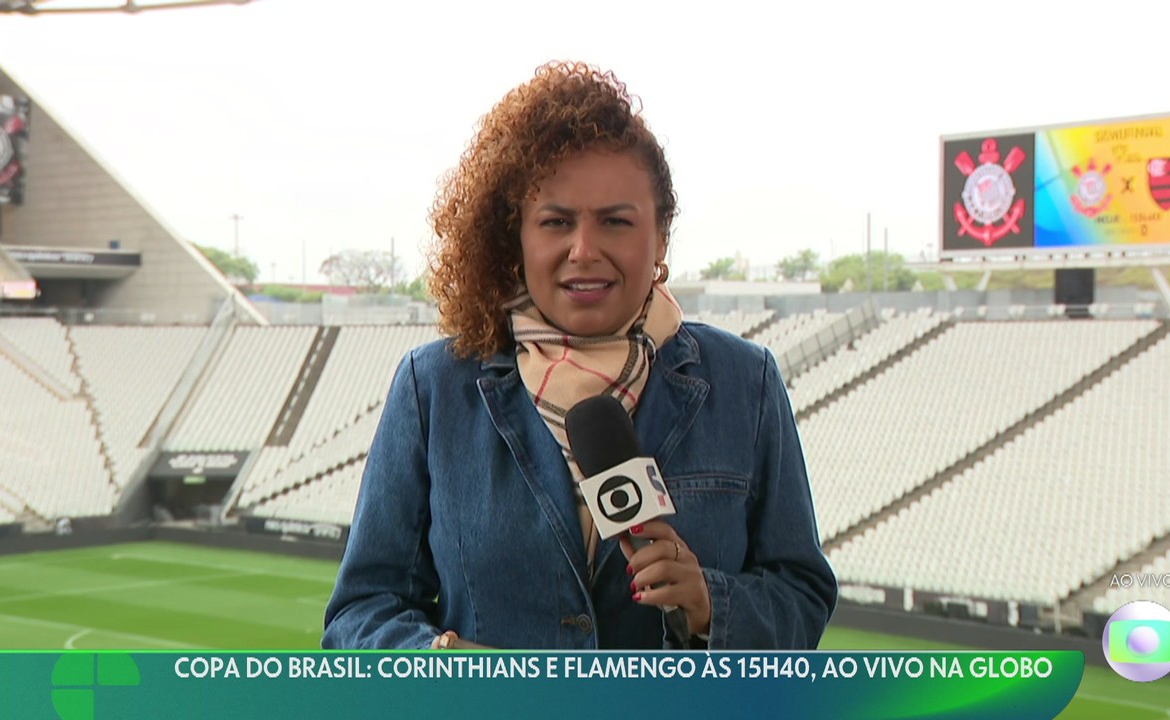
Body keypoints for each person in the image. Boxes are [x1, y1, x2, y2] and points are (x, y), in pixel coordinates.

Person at [322, 61, 837, 650]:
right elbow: (360, 612)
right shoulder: (433, 386)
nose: (583, 249)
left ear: (661, 234)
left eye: (616, 221)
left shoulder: (746, 383)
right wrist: (438, 666)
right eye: (556, 222)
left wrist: (707, 604)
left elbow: (802, 597)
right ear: (516, 236)